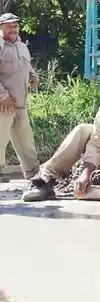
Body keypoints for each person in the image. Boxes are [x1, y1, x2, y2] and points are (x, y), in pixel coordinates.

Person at [0, 12, 40, 182]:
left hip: (21, 102)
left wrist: (33, 76)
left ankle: (34, 174)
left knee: (25, 140)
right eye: (9, 25)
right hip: (3, 104)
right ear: (0, 27)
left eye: (15, 25)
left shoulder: (22, 46)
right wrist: (2, 95)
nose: (13, 28)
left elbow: (27, 66)